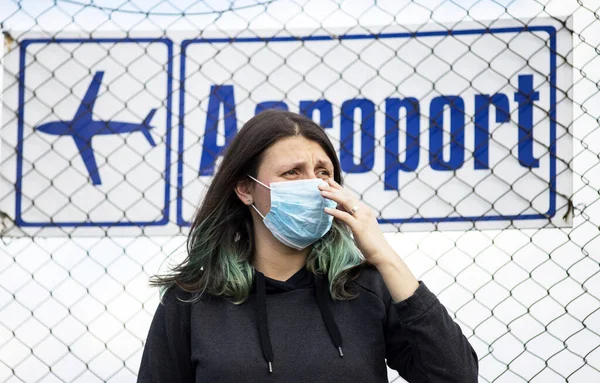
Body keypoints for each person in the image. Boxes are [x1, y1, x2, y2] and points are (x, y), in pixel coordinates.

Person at [137, 109, 478, 382]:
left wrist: (384, 257)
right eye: (292, 173)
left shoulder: (365, 289)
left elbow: (457, 376)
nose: (313, 184)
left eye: (322, 171)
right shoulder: (191, 301)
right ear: (245, 189)